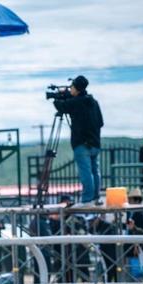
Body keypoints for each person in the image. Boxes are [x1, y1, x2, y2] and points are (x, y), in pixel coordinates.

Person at [53, 75, 104, 206]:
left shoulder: (76, 102)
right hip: (95, 143)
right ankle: (96, 197)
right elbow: (100, 122)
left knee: (85, 172)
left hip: (81, 144)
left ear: (77, 88)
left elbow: (60, 106)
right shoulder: (93, 102)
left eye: (72, 87)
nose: (70, 89)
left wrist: (58, 97)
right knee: (94, 171)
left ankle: (87, 199)